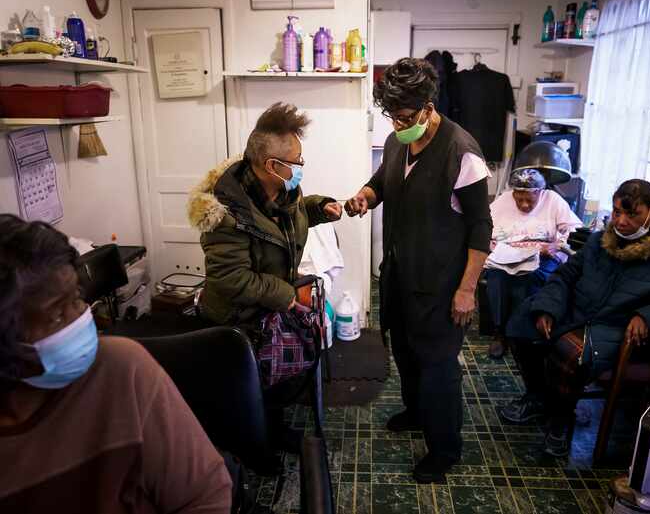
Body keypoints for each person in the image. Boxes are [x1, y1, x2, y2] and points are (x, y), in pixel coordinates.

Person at [0, 215, 231, 513]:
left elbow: (207, 497)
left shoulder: (120, 370)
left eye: (78, 299)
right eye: (57, 315)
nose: (84, 320)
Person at [344, 58, 492, 483]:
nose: (396, 124)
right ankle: (415, 411)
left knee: (438, 367)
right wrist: (364, 197)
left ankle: (444, 449)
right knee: (406, 354)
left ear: (429, 107)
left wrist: (467, 290)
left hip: (442, 284)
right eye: (391, 116)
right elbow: (383, 180)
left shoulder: (461, 153)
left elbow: (482, 228)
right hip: (399, 275)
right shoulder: (397, 141)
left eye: (405, 117)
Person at [501, 179, 650, 457]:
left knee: (571, 353)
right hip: (579, 311)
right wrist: (548, 307)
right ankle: (538, 398)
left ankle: (560, 422)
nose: (621, 221)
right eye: (617, 212)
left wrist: (648, 316)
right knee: (523, 322)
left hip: (620, 326)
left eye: (632, 214)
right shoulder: (602, 240)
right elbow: (567, 274)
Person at [187, 102, 342, 451]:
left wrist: (319, 208)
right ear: (272, 165)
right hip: (236, 316)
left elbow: (291, 217)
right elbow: (230, 278)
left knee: (275, 382)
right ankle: (254, 447)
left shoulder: (282, 188)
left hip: (265, 305)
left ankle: (269, 428)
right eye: (298, 162)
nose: (302, 167)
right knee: (250, 386)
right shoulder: (226, 215)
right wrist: (285, 292)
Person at [484, 168, 583, 359]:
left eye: (530, 200)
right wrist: (488, 242)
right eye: (519, 199)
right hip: (507, 256)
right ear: (513, 193)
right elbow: (485, 226)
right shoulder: (503, 200)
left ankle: (520, 331)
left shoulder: (552, 200)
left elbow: (574, 230)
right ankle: (500, 332)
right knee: (496, 277)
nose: (524, 204)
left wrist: (557, 244)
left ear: (540, 192)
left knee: (529, 278)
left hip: (542, 257)